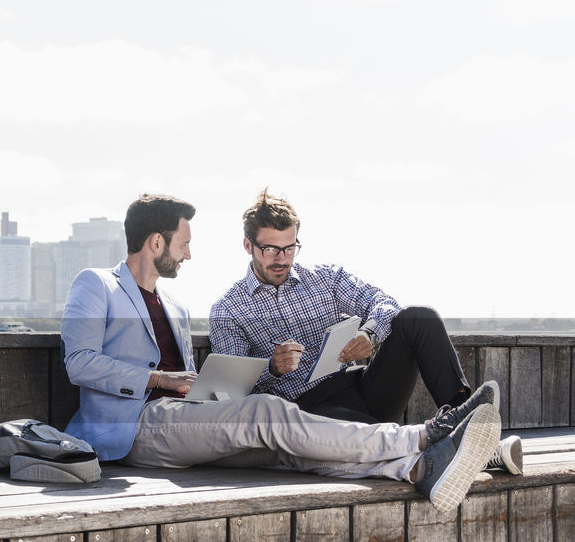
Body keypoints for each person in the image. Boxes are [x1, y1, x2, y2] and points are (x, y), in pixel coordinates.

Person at [60, 194, 501, 512]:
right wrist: (166, 380)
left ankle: (422, 468)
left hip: (197, 415)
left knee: (288, 448)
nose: (190, 253)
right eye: (183, 243)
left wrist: (370, 332)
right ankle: (427, 438)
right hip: (139, 421)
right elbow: (78, 362)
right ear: (157, 243)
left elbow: (218, 391)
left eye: (289, 248)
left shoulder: (176, 306)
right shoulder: (98, 284)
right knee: (271, 421)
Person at [207, 188, 522, 474]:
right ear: (248, 245)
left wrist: (370, 334)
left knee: (418, 318)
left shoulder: (325, 278)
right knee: (362, 436)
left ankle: (464, 423)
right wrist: (272, 370)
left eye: (290, 248)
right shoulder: (228, 310)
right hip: (311, 415)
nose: (282, 259)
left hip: (360, 386)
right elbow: (231, 398)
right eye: (270, 250)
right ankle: (474, 449)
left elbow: (384, 302)